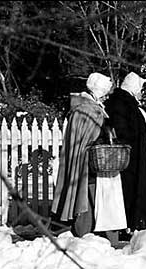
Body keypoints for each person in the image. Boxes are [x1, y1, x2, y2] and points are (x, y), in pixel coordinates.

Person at [51, 72, 126, 245]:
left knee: (96, 194)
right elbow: (85, 137)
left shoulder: (92, 107)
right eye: (105, 91)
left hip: (98, 160)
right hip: (89, 161)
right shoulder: (85, 110)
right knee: (87, 194)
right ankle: (86, 231)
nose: (106, 95)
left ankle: (94, 231)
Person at [104, 72, 146, 237]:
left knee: (130, 190)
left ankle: (132, 223)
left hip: (132, 156)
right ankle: (127, 224)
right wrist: (130, 141)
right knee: (127, 190)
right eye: (140, 87)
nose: (141, 90)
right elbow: (121, 129)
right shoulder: (122, 103)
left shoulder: (125, 102)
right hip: (128, 158)